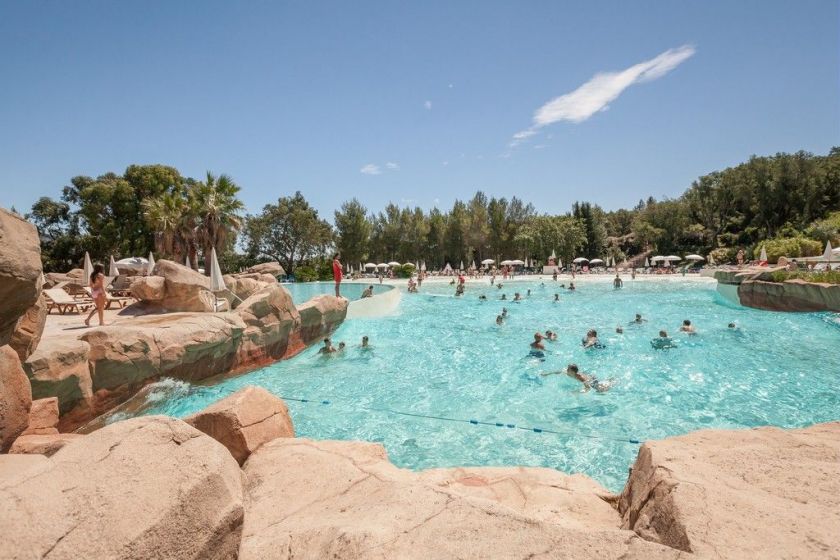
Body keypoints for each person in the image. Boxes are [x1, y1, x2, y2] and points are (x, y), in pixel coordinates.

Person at [541, 364, 613, 392]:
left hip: (591, 380)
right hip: (588, 376)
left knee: (601, 390)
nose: (566, 369)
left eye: (568, 369)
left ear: (572, 372)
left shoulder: (580, 378)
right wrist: (547, 374)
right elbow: (557, 372)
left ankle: (611, 381)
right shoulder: (567, 372)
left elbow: (588, 388)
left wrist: (577, 392)